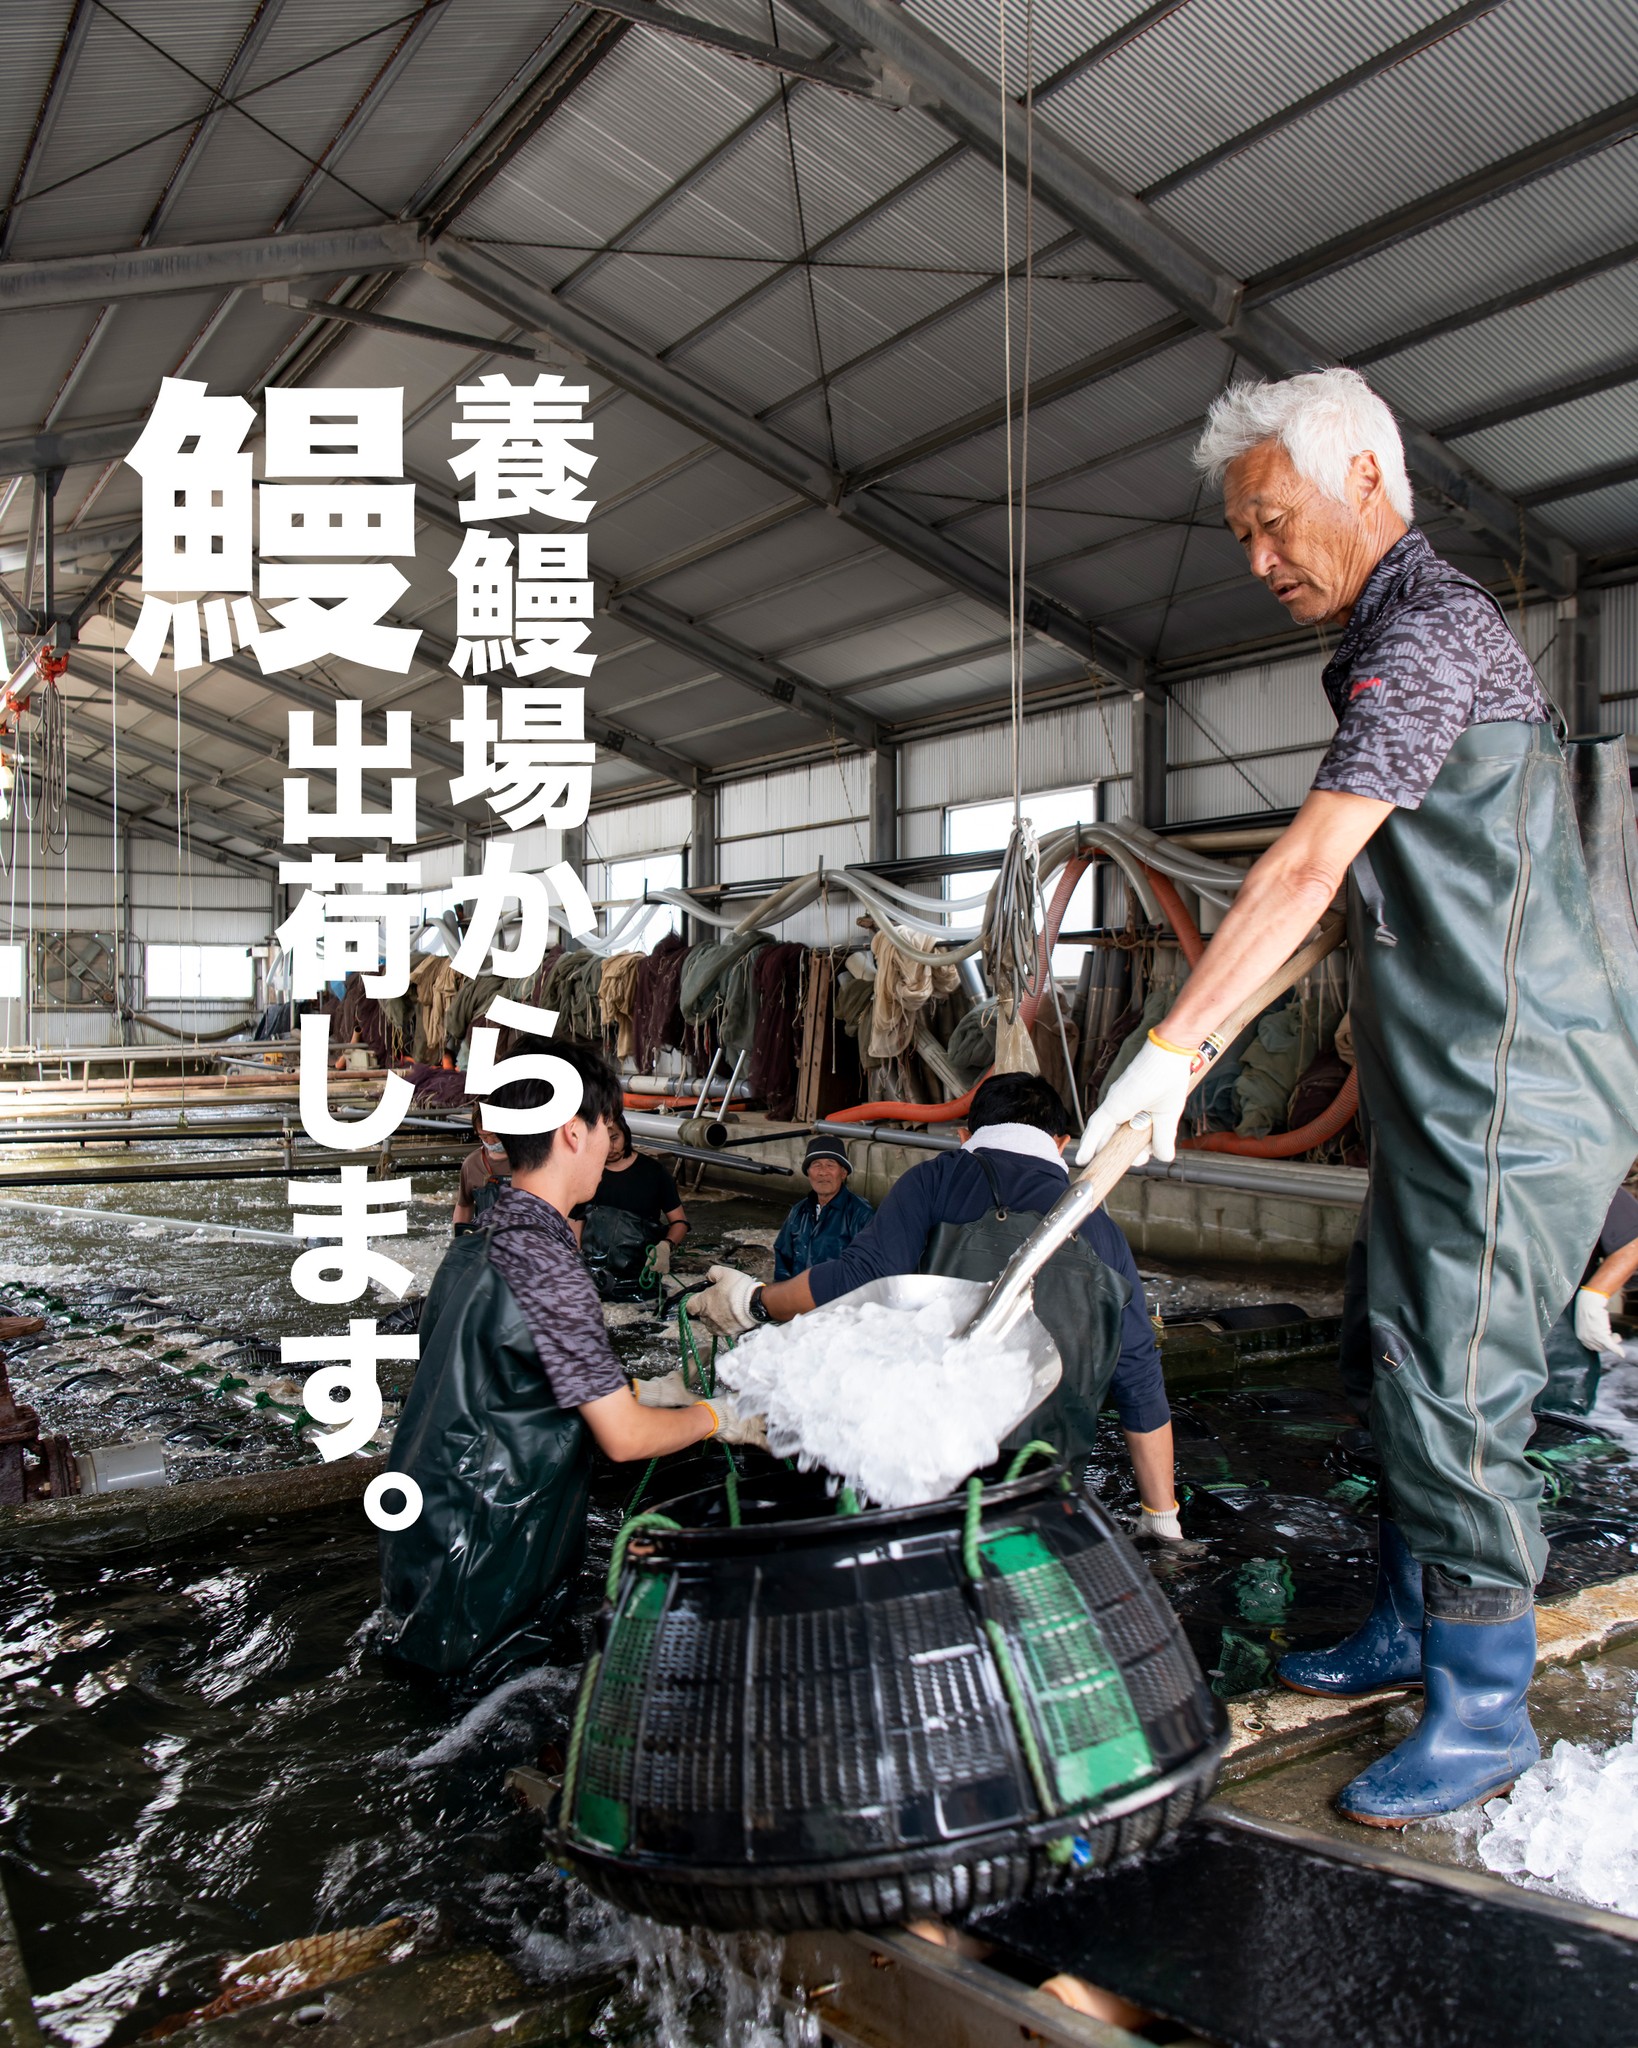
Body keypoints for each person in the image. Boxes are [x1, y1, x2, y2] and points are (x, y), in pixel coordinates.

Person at [1080, 367, 1638, 1824]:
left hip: (1513, 1091)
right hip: (1443, 1091)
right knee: (1383, 1351)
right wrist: (1179, 1066)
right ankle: (1407, 1621)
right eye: (1243, 536)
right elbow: (1331, 917)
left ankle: (1481, 1707)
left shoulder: (1431, 631)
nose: (1258, 560)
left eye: (1272, 524)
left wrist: (1164, 1057)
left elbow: (1307, 868)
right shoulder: (1382, 644)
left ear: (1367, 484)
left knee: (1454, 1386)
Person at [378, 1044, 759, 1681]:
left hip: (426, 1545)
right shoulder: (551, 1267)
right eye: (607, 1126)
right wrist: (719, 1417)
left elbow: (488, 1381)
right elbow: (625, 1439)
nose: (610, 1142)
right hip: (492, 1567)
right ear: (571, 1130)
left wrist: (640, 1387)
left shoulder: (474, 1246)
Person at [691, 1072, 1186, 1540]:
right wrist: (1161, 1517)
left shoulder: (935, 1181)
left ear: (964, 1132)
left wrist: (752, 1303)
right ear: (1060, 1142)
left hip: (919, 1484)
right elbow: (1139, 1380)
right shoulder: (1105, 1234)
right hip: (1045, 1493)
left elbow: (856, 1279)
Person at [578, 1109, 689, 1293]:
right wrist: (577, 1260)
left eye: (614, 1138)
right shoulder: (586, 1174)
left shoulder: (654, 1172)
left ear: (626, 1135)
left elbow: (679, 1221)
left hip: (642, 1271)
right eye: (603, 1141)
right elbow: (576, 1221)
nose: (610, 1148)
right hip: (596, 1276)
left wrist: (665, 1247)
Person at [772, 1132, 874, 1281]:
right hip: (798, 1298)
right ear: (808, 1173)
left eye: (830, 1165)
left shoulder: (860, 1213)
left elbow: (867, 1267)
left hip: (839, 1299)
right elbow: (783, 1260)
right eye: (816, 1165)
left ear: (843, 1173)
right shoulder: (798, 1212)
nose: (822, 1172)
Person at [451, 1108, 510, 1233]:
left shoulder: (529, 1159)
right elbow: (464, 1204)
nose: (490, 1141)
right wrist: (460, 1241)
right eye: (483, 1136)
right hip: (486, 1240)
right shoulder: (472, 1164)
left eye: (494, 1135)